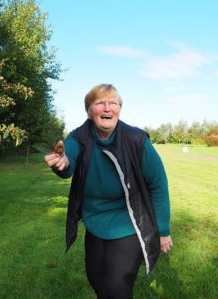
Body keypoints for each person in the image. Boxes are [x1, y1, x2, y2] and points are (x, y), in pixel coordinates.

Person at [44, 84, 173, 299]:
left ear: (119, 110)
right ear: (89, 111)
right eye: (99, 103)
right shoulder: (79, 137)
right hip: (95, 220)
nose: (107, 108)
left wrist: (163, 229)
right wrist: (63, 163)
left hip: (128, 222)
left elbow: (158, 184)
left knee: (116, 288)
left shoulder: (136, 140)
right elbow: (69, 162)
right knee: (96, 279)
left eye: (113, 103)